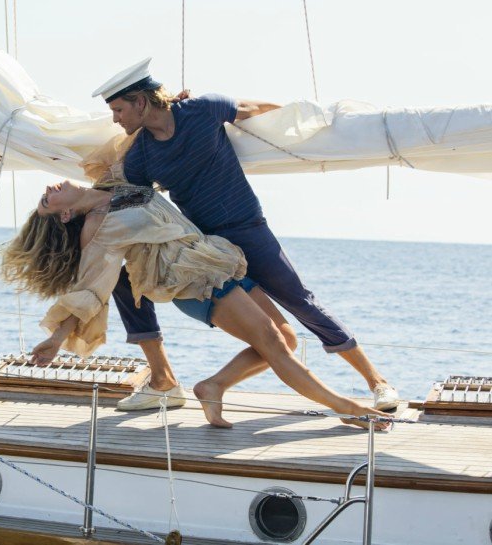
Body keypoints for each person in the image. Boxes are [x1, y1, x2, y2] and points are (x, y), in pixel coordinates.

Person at [88, 58, 399, 412]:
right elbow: (135, 203)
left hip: (249, 231)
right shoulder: (140, 157)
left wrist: (313, 121)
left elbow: (261, 111)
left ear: (142, 102)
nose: (116, 119)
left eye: (118, 110)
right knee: (127, 283)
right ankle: (174, 381)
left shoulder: (203, 109)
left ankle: (377, 382)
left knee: (300, 302)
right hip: (208, 250)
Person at [1, 179, 390, 429]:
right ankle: (346, 408)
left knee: (285, 339)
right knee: (273, 343)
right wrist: (58, 337)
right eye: (47, 200)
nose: (49, 188)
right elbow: (91, 288)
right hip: (194, 284)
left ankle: (212, 385)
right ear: (65, 213)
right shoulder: (96, 228)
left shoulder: (114, 180)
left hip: (218, 262)